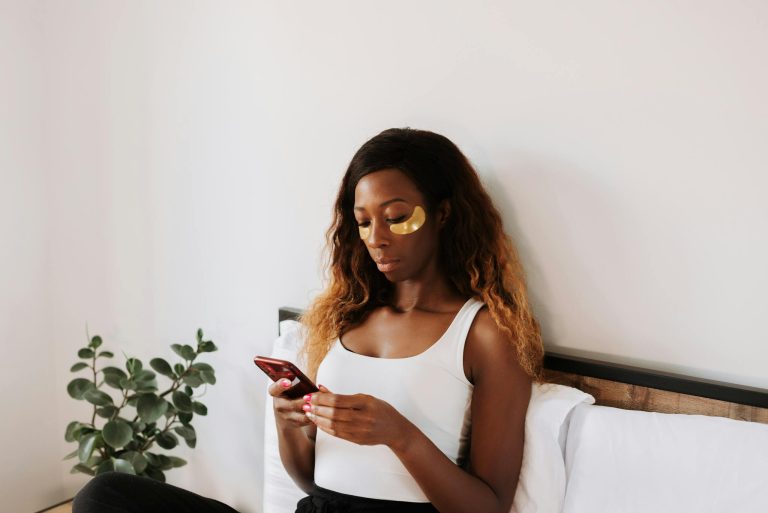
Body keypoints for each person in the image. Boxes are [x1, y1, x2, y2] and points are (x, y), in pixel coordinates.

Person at [72, 127, 544, 513]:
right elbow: (310, 481)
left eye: (396, 217)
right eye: (362, 222)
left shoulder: (484, 332)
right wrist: (290, 427)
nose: (376, 238)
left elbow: (490, 506)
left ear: (443, 214)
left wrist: (401, 436)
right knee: (105, 496)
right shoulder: (345, 320)